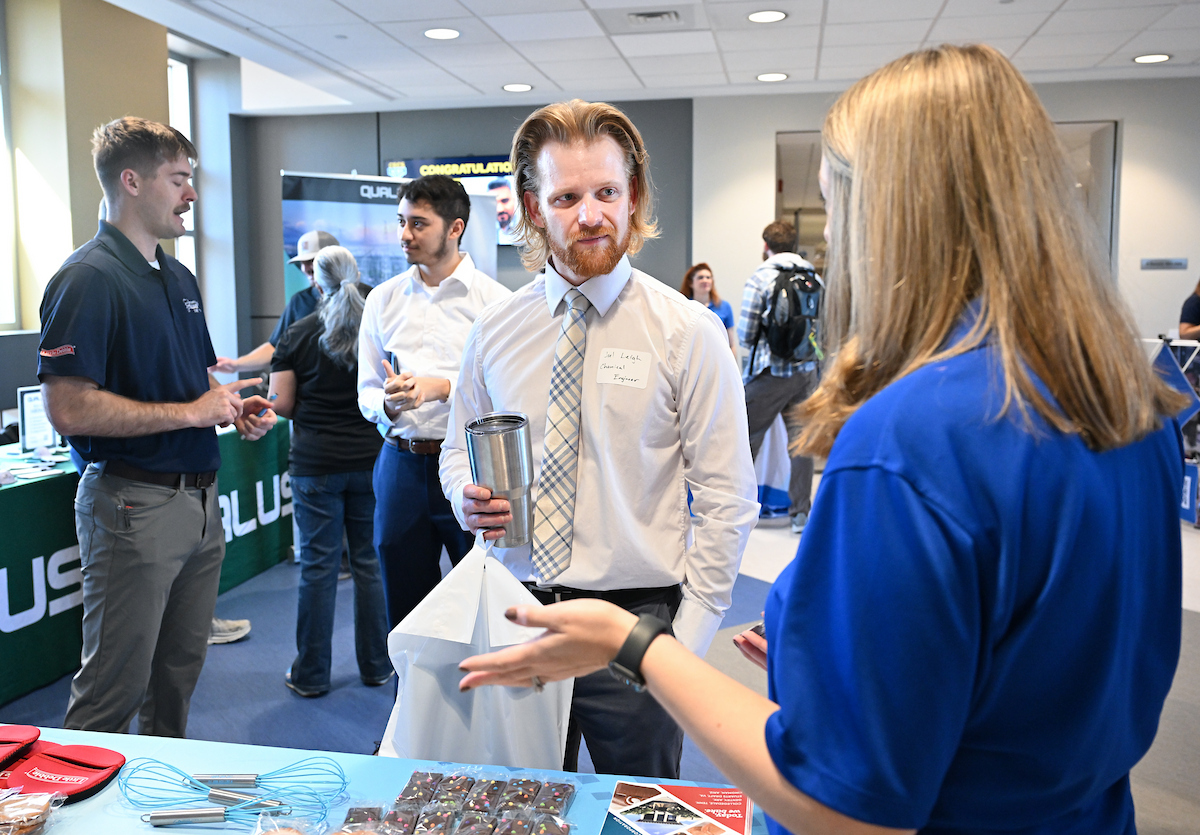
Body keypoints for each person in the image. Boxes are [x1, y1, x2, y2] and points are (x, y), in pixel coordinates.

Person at [458, 45, 1186, 835]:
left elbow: (848, 807)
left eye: (838, 196)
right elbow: (1037, 663)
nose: (832, 227)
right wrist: (832, 648)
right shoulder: (1131, 402)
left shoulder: (907, 444)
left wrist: (634, 644)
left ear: (899, 208)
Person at [442, 99, 758, 779]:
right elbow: (453, 447)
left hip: (639, 625)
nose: (591, 214)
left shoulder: (688, 332)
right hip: (517, 611)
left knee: (637, 814)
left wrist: (681, 644)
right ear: (533, 208)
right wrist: (463, 497)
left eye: (607, 192)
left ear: (633, 195)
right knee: (521, 810)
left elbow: (729, 501)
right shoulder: (494, 332)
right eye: (567, 196)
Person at [38, 117, 277, 737]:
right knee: (112, 688)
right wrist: (193, 412)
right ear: (132, 182)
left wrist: (228, 407)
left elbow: (194, 381)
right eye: (178, 180)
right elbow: (68, 408)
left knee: (177, 677)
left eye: (190, 180)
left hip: (200, 501)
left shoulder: (177, 276)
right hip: (132, 505)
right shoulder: (87, 278)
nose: (191, 194)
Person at [357, 175, 510, 630]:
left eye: (418, 224)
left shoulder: (495, 303)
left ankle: (483, 700)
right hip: (400, 464)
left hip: (471, 464)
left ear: (455, 227)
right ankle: (411, 698)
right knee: (404, 608)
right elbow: (366, 387)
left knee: (487, 597)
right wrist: (387, 405)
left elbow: (507, 395)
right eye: (401, 222)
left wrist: (441, 387)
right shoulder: (383, 300)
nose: (405, 235)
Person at [269, 246, 391, 697]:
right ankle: (377, 665)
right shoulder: (378, 329)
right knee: (370, 566)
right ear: (356, 275)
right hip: (371, 462)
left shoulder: (297, 333)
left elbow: (281, 404)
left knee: (318, 569)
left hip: (314, 466)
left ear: (316, 283)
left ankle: (311, 674)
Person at [737, 221, 822, 534]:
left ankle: (739, 512)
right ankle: (800, 515)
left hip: (770, 373)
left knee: (744, 440)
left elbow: (745, 335)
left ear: (765, 246)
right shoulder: (813, 276)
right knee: (801, 443)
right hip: (806, 373)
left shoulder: (761, 277)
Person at [211, 229, 340, 374]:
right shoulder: (299, 302)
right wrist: (236, 365)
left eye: (313, 261)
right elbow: (276, 347)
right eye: (302, 263)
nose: (306, 269)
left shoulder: (364, 297)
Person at [681, 262, 736, 354]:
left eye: (708, 277)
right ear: (691, 283)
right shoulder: (684, 306)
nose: (705, 280)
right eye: (700, 277)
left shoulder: (724, 306)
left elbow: (731, 344)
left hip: (717, 359)